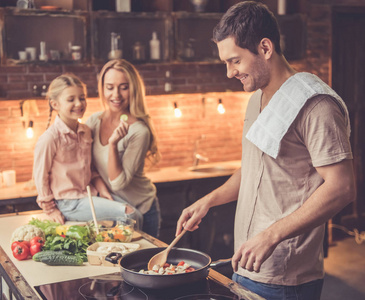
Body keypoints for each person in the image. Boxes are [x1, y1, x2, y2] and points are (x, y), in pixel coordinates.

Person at [176, 2, 356, 300]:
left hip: (286, 277)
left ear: (265, 47)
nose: (229, 73)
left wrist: (271, 235)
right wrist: (210, 200)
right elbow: (255, 167)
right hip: (247, 263)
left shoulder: (316, 106)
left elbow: (342, 187)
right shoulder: (256, 98)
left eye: (235, 61)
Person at [33, 73, 136, 225]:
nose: (79, 104)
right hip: (68, 203)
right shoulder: (50, 138)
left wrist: (102, 190)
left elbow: (91, 169)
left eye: (82, 98)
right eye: (71, 99)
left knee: (136, 213)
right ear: (55, 104)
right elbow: (40, 177)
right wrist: (50, 210)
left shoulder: (86, 131)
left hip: (89, 195)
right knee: (130, 215)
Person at [86, 59, 161, 237]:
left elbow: (118, 182)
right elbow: (87, 166)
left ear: (133, 89)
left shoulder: (138, 131)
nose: (116, 95)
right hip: (114, 208)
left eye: (124, 87)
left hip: (142, 210)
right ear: (102, 89)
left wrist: (113, 144)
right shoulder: (93, 122)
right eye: (110, 87)